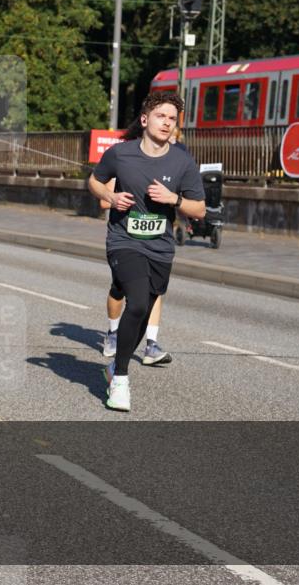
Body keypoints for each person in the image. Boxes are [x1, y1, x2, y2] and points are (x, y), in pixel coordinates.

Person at [88, 91, 204, 412]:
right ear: (144, 120)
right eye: (160, 116)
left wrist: (174, 200)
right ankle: (121, 381)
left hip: (161, 250)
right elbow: (95, 182)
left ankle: (114, 367)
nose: (167, 123)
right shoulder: (120, 154)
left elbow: (200, 210)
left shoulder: (182, 161)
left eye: (172, 118)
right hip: (124, 242)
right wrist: (111, 199)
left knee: (139, 317)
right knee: (137, 303)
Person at [101, 120, 192, 365]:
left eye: (173, 140)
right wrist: (114, 198)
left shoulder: (175, 162)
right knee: (118, 291)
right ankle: (112, 333)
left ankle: (151, 343)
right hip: (125, 240)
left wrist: (179, 206)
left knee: (153, 292)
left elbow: (187, 200)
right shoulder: (125, 158)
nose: (170, 144)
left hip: (156, 244)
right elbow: (102, 199)